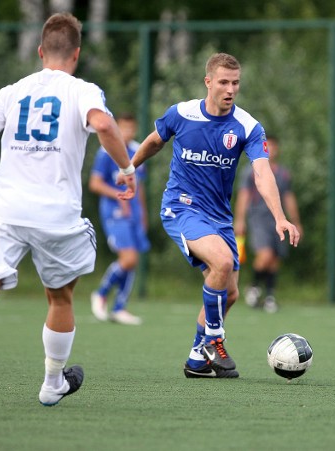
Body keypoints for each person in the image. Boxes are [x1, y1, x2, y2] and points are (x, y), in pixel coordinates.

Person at [0, 13, 137, 406]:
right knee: (59, 298)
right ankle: (52, 382)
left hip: (5, 210)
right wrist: (126, 169)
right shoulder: (82, 90)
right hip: (57, 216)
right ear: (76, 54)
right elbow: (106, 127)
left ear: (41, 52)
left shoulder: (13, 91)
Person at [131, 52, 301, 378]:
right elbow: (155, 141)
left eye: (235, 83)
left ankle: (197, 360)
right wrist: (129, 168)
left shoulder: (248, 127)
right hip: (181, 207)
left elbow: (263, 174)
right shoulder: (181, 113)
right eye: (223, 82)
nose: (230, 89)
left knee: (231, 293)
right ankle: (214, 341)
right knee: (222, 262)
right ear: (208, 82)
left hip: (219, 217)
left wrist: (280, 216)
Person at [89, 113, 150, 325]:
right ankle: (101, 293)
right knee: (128, 259)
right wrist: (117, 196)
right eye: (122, 128)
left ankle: (119, 308)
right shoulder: (106, 151)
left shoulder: (137, 150)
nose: (126, 133)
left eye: (130, 128)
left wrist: (142, 213)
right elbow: (95, 183)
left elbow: (138, 185)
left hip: (133, 213)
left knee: (133, 260)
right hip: (114, 212)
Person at [234, 135, 302, 313]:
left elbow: (288, 198)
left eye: (273, 146)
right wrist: (240, 220)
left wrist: (296, 221)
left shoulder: (283, 173)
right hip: (258, 219)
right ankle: (254, 287)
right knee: (265, 255)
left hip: (278, 220)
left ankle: (270, 296)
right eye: (267, 146)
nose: (270, 149)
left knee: (274, 259)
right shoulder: (250, 171)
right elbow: (244, 196)